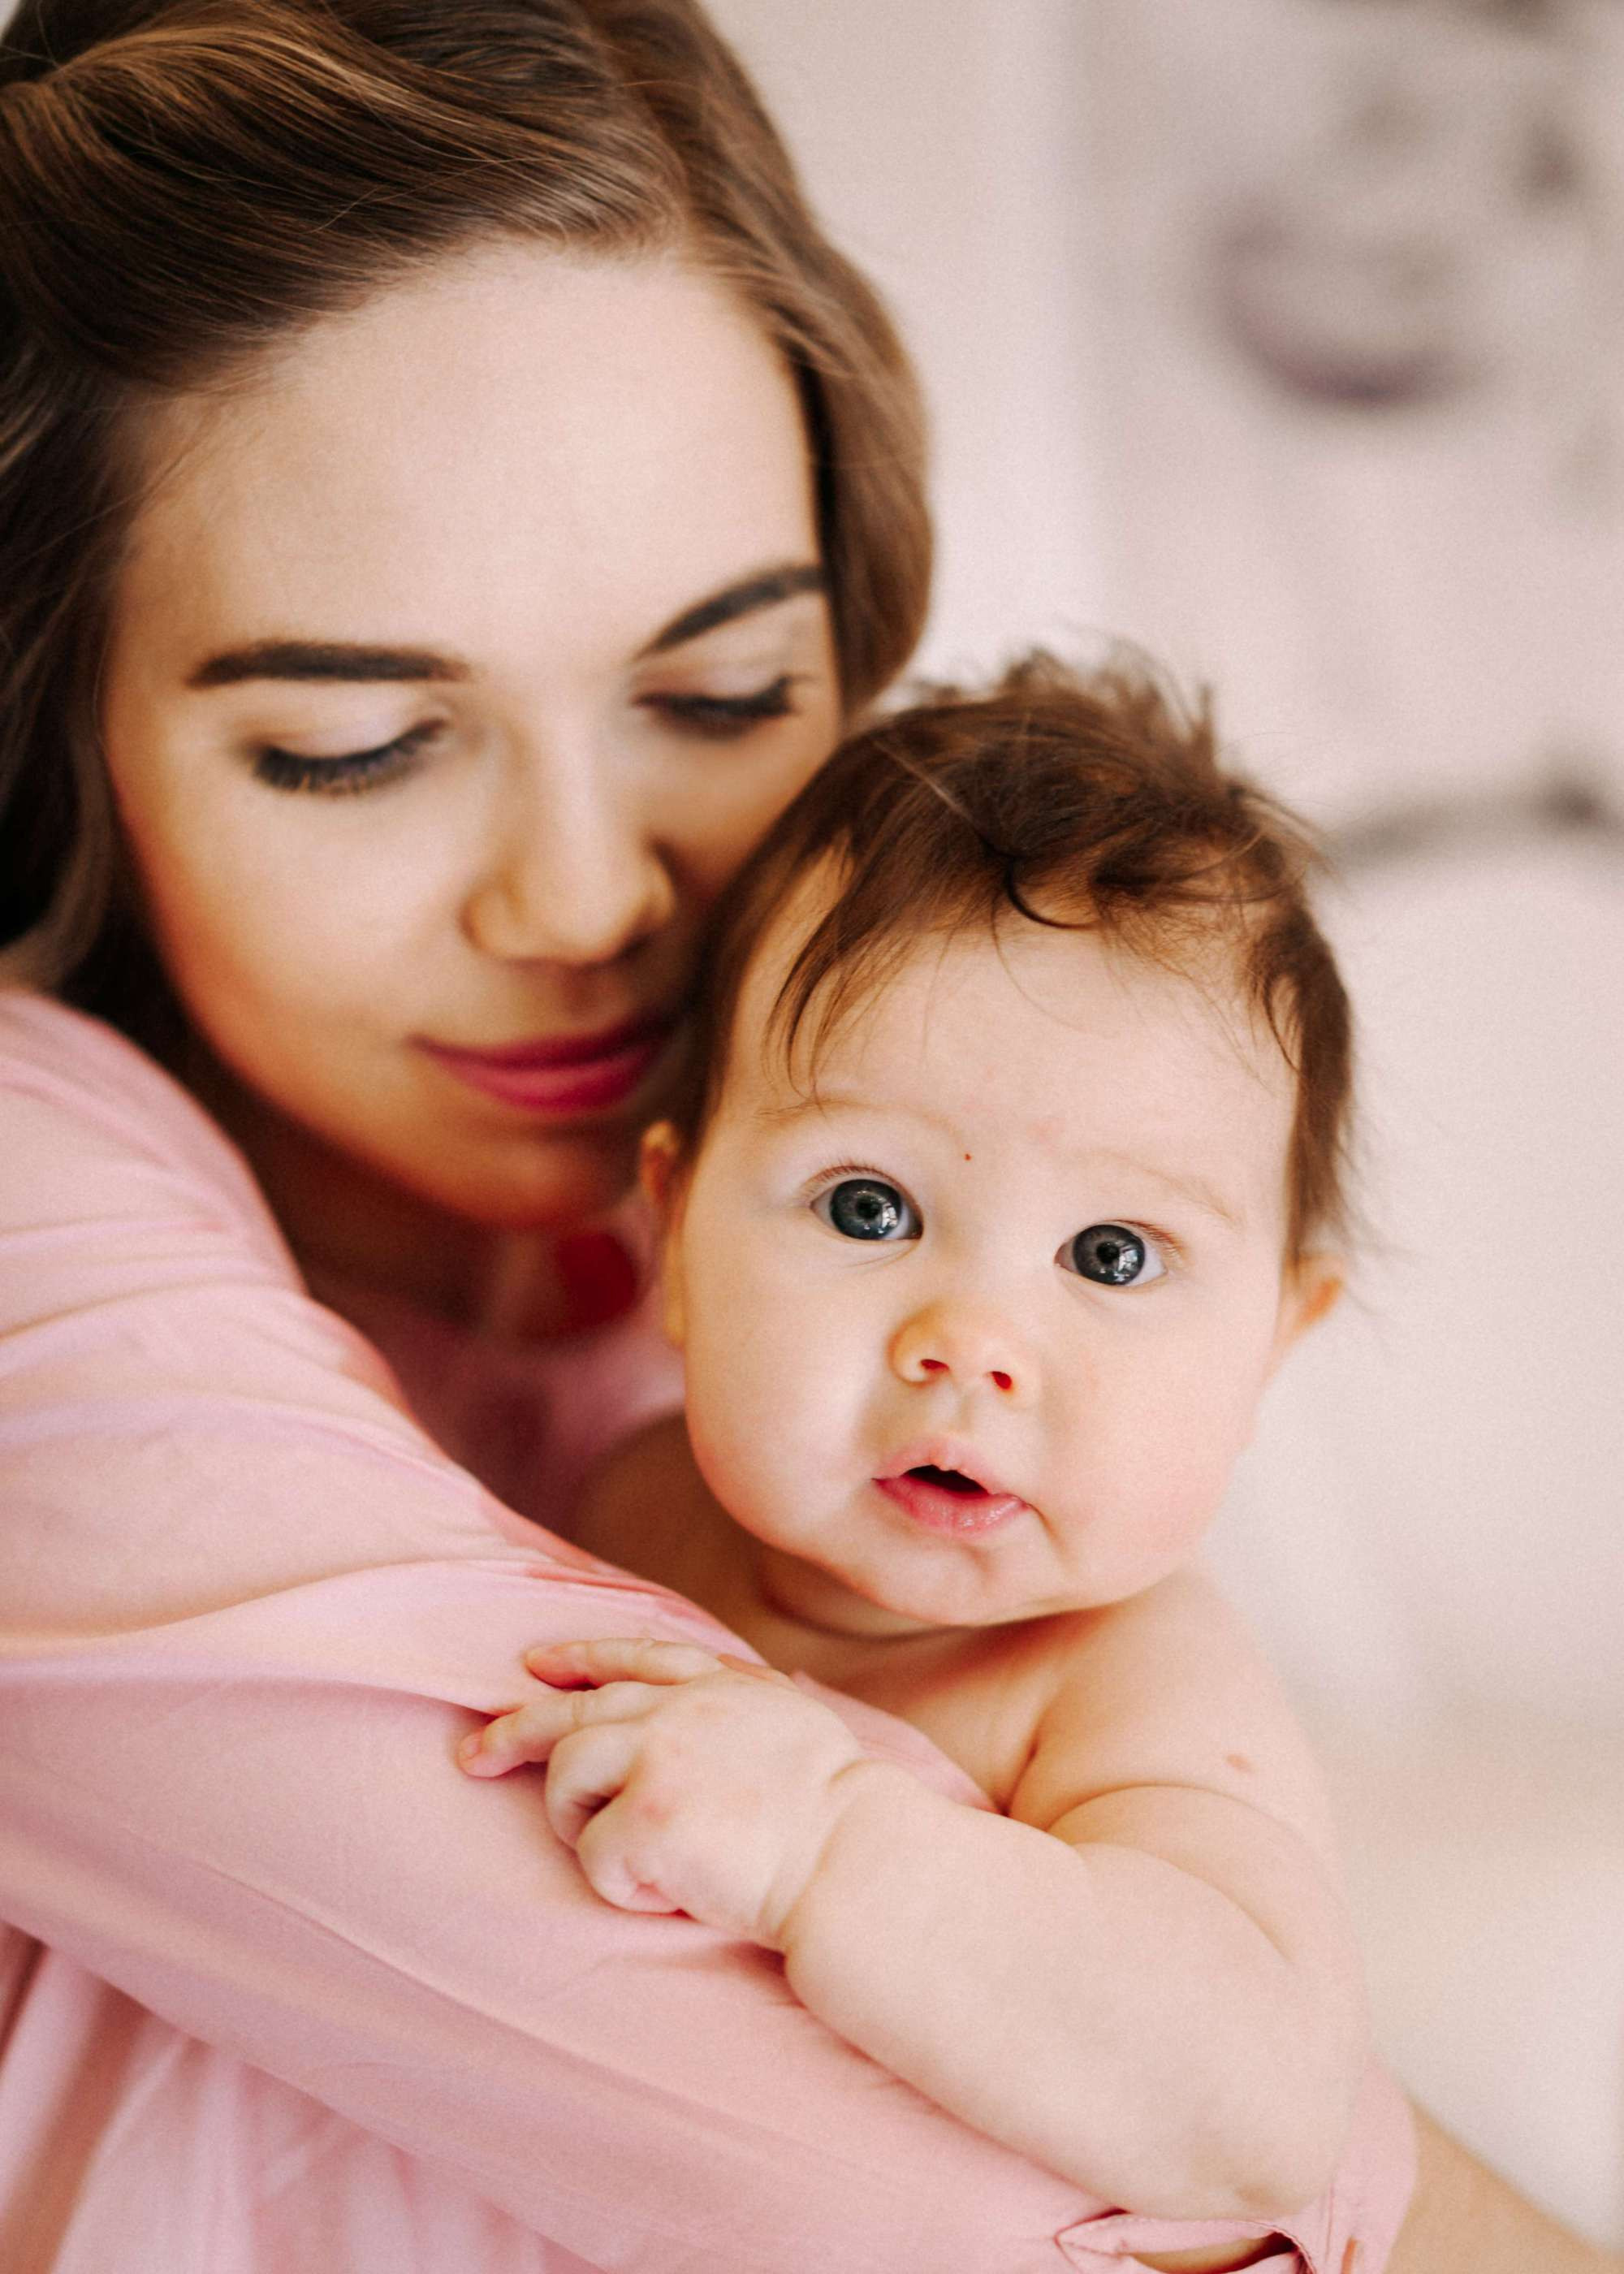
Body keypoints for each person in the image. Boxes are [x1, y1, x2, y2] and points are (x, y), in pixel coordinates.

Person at [0, 2, 1609, 2270]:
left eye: (721, 692)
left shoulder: (821, 1355)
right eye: (359, 743)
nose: (586, 901)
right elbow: (970, 2188)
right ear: (59, 735)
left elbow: (1200, 2095)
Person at [460, 659, 1372, 2224]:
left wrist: (828, 1840)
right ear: (677, 1237)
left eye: (1111, 1256)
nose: (971, 1342)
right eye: (869, 1208)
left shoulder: (1126, 1685)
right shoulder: (622, 1494)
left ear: (1273, 1346)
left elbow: (1264, 2112)